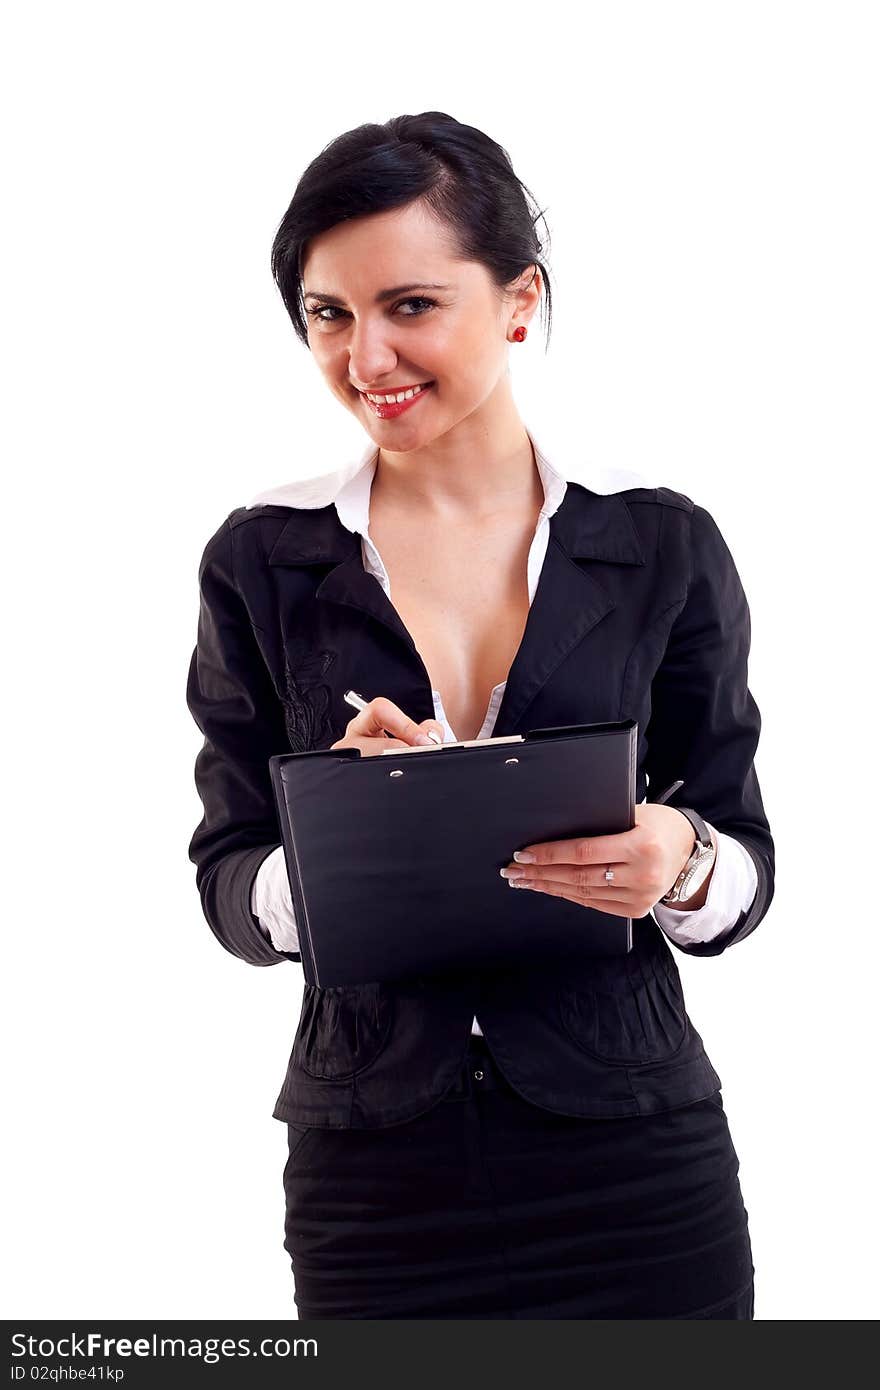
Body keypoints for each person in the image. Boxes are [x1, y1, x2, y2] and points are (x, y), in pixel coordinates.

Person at [186, 111, 774, 1320]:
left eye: (409, 305)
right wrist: (345, 838)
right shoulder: (263, 559)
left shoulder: (657, 546)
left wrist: (677, 856)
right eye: (328, 315)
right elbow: (226, 882)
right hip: (373, 1176)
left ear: (517, 300)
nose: (365, 357)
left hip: (635, 1152)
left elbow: (741, 872)